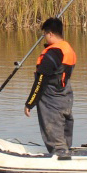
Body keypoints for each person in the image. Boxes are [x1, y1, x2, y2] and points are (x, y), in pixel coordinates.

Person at [24, 17, 77, 158]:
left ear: (51, 34)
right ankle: (65, 152)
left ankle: (61, 159)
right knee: (64, 134)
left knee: (55, 139)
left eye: (45, 35)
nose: (45, 38)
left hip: (51, 99)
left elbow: (41, 80)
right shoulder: (68, 49)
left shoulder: (52, 54)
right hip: (66, 97)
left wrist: (30, 102)